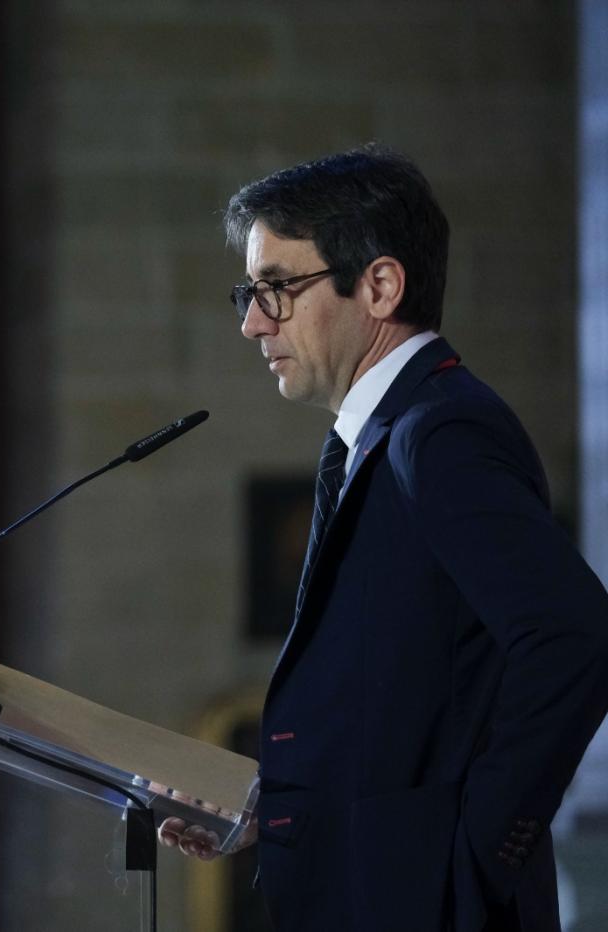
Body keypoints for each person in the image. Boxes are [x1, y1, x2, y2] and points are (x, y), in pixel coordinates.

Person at [158, 145, 608, 932]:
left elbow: (575, 636)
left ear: (380, 284)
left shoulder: (439, 433)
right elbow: (411, 699)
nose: (252, 322)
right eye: (248, 292)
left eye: (277, 289)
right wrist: (279, 808)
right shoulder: (384, 435)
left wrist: (473, 854)